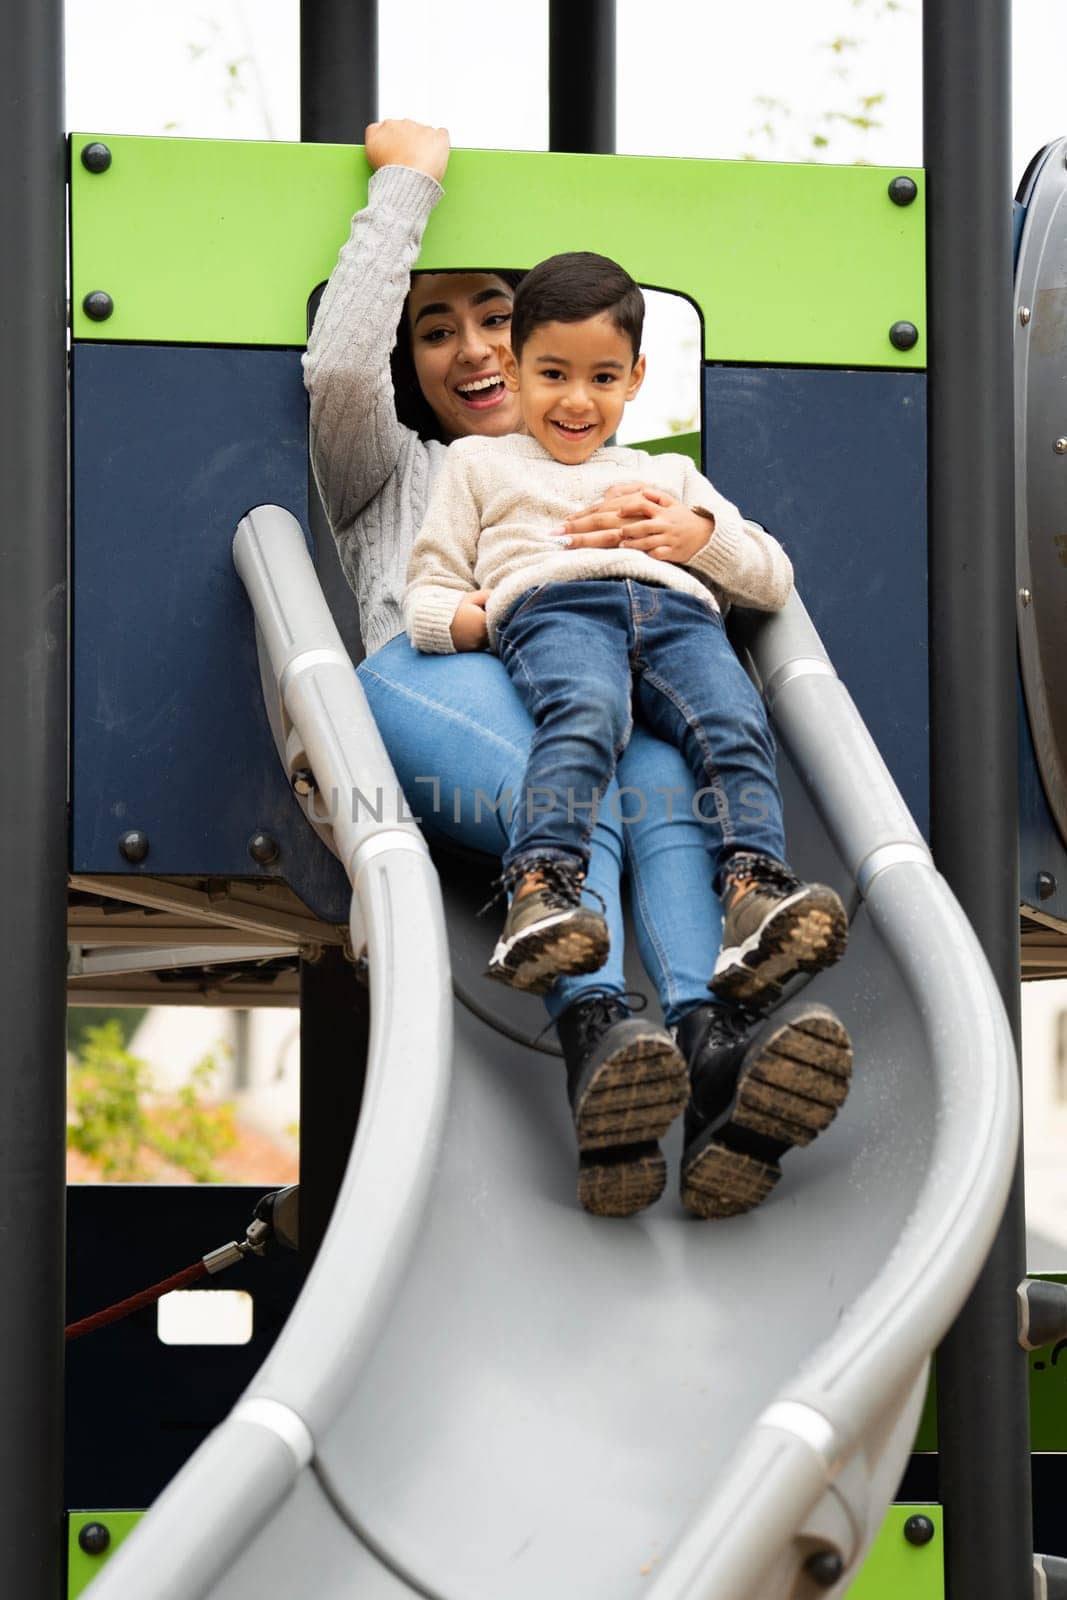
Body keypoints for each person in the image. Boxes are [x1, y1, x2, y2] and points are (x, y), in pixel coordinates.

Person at [304, 119, 852, 1221]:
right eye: (434, 329)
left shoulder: (636, 475)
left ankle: (704, 1048)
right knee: (595, 764)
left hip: (595, 694)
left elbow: (754, 576)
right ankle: (596, 1023)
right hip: (430, 671)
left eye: (491, 317)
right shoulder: (412, 468)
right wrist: (407, 187)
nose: (468, 351)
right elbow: (336, 368)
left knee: (656, 774)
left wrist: (682, 540)